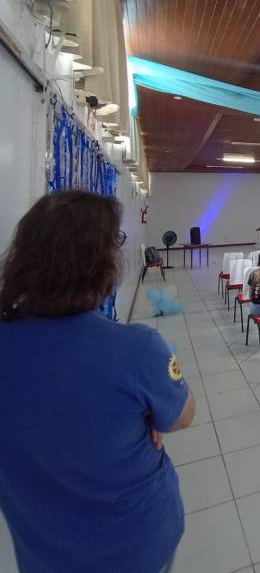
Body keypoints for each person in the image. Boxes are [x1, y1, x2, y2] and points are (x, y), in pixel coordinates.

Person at [0, 190, 194, 573]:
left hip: (43, 550)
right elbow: (182, 416)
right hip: (137, 544)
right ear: (99, 263)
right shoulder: (137, 349)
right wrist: (148, 416)